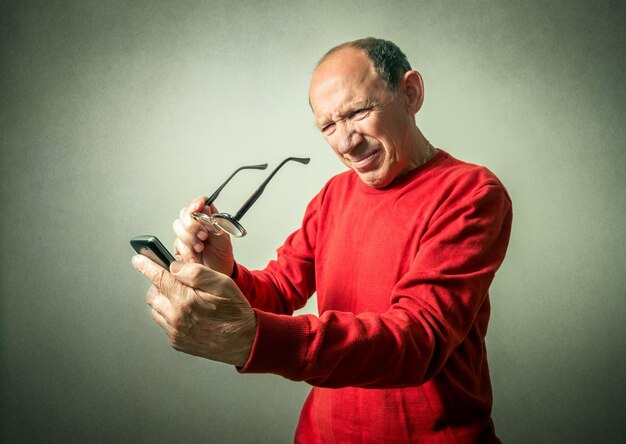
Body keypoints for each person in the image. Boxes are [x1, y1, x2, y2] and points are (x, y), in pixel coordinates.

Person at [132, 37, 513, 443]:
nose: (346, 142)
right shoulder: (334, 195)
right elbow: (278, 291)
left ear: (411, 93)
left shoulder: (471, 193)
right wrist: (224, 269)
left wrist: (254, 340)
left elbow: (417, 340)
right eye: (329, 126)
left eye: (359, 112)